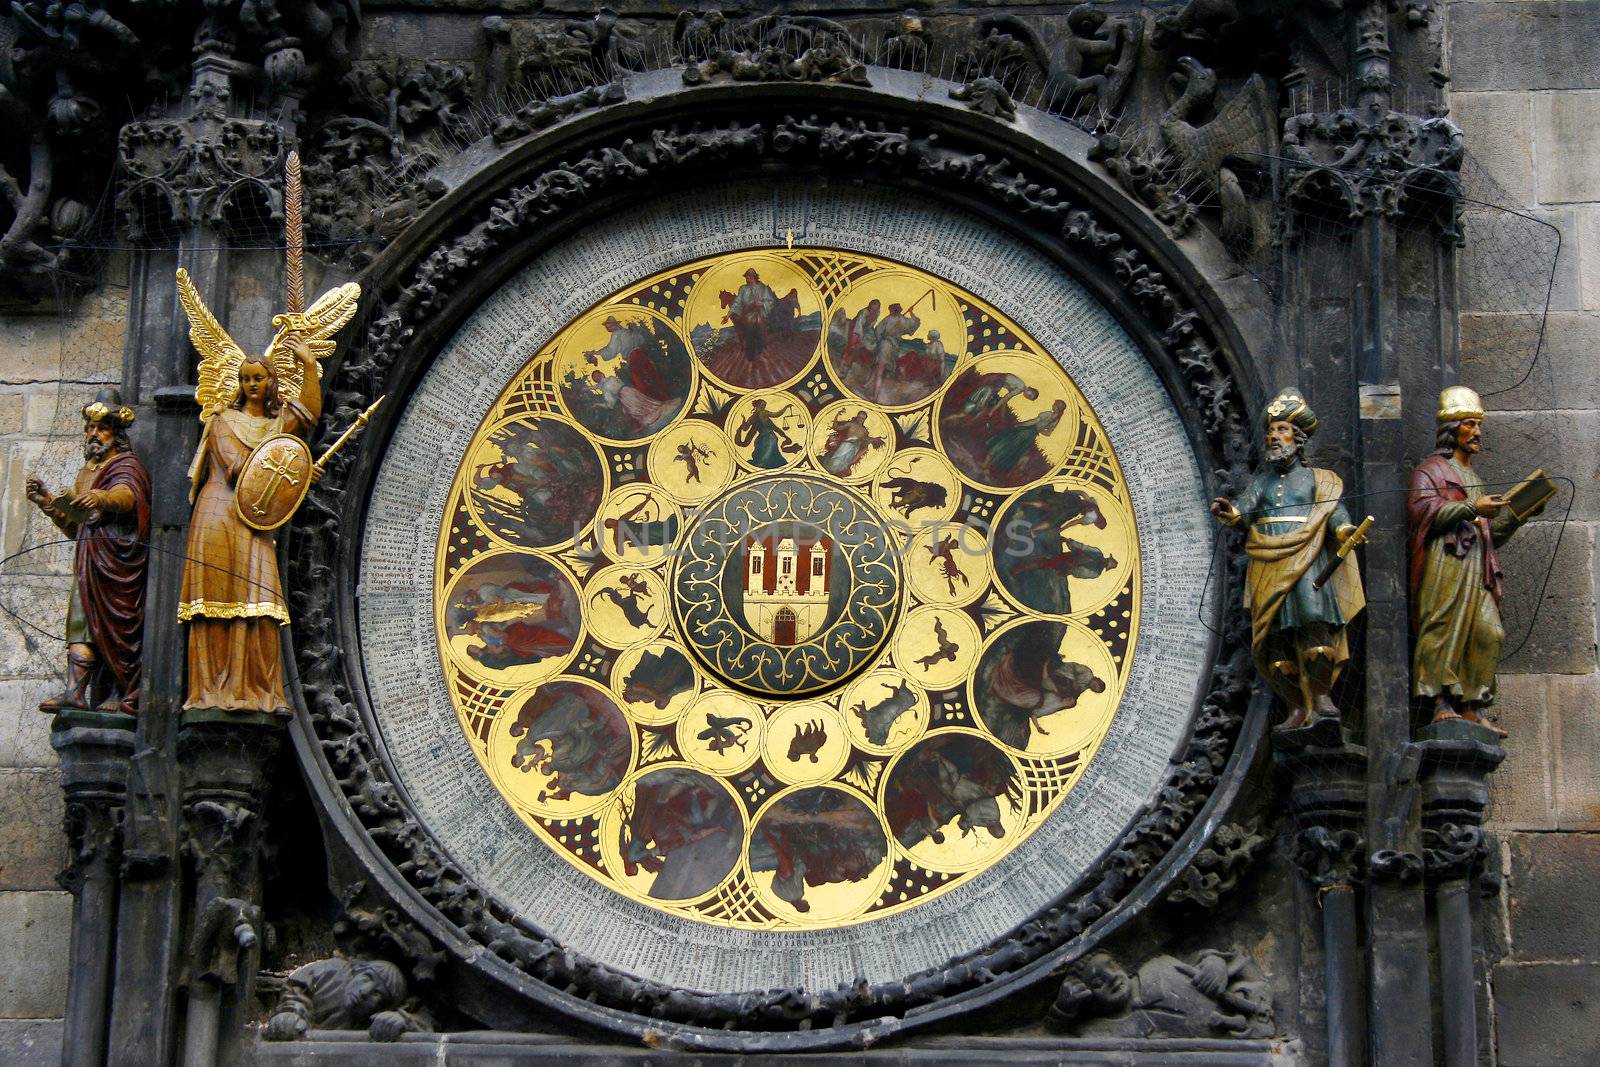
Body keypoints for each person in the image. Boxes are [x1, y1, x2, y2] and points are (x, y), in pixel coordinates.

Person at [179, 341, 321, 713]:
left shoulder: (275, 426)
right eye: (245, 379)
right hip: (220, 512)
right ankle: (212, 690)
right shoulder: (222, 422)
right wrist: (297, 466)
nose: (251, 384)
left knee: (259, 598)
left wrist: (307, 366)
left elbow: (307, 414)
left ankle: (256, 690)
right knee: (217, 597)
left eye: (258, 378)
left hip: (256, 518)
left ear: (272, 381)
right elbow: (241, 467)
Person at [1211, 389, 1365, 728]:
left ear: (1298, 437)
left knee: (1314, 627)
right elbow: (1244, 510)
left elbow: (1333, 511)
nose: (1273, 437)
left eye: (1281, 430)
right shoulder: (1262, 482)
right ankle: (1295, 705)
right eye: (1271, 431)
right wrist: (1230, 512)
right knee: (1273, 638)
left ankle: (1321, 696)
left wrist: (1343, 531)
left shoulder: (1317, 480)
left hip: (1308, 561)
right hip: (1268, 562)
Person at [1408, 387, 1538, 736]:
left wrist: (1519, 515)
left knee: (1489, 632)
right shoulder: (1431, 471)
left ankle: (1472, 705)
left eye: (1478, 425)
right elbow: (1422, 512)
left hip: (1477, 564)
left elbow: (1488, 535)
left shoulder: (1476, 480)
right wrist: (1470, 508)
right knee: (1443, 625)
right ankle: (1440, 703)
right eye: (1469, 424)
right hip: (1447, 562)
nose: (1477, 432)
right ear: (1452, 430)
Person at [26, 389, 150, 714]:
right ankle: (75, 693)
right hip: (88, 560)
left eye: (101, 427)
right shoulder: (88, 472)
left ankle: (120, 694)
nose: (93, 434)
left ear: (116, 433)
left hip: (117, 563)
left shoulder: (126, 464)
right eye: (89, 428)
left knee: (115, 628)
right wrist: (49, 505)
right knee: (81, 624)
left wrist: (101, 498)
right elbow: (78, 527)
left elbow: (128, 497)